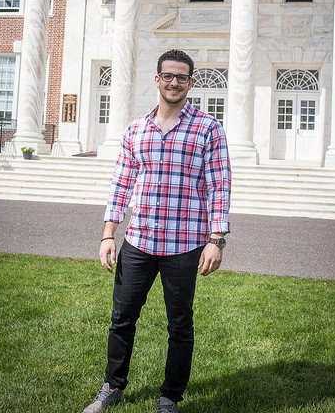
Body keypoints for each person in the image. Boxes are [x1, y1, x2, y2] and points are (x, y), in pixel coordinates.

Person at [83, 49, 231, 413]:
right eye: (168, 76)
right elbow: (121, 183)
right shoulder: (135, 129)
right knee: (121, 318)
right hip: (139, 241)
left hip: (185, 245)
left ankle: (170, 396)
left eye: (182, 77)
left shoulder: (208, 129)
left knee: (180, 324)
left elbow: (219, 186)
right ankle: (113, 385)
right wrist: (107, 233)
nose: (174, 83)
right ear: (157, 79)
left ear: (191, 83)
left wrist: (216, 240)